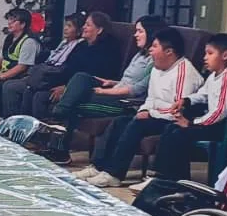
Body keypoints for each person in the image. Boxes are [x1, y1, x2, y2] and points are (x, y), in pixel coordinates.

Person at [76, 27, 201, 188]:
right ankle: (99, 167)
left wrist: (151, 113)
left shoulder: (185, 72)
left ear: (169, 51)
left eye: (155, 46)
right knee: (120, 122)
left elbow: (178, 109)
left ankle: (115, 174)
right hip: (156, 116)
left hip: (173, 121)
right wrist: (144, 109)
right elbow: (151, 98)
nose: (150, 50)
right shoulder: (157, 68)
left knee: (136, 125)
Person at [41, 14, 169, 162]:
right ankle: (59, 132)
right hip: (116, 90)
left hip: (125, 101)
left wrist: (106, 91)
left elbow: (137, 89)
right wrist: (112, 83)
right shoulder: (140, 55)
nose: (135, 35)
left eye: (140, 31)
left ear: (151, 33)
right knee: (81, 77)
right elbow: (127, 81)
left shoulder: (155, 61)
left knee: (73, 103)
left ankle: (59, 144)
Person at [149, 33, 227, 183]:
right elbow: (202, 94)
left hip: (225, 127)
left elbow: (219, 113)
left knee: (180, 134)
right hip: (212, 122)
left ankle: (177, 181)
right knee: (171, 128)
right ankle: (161, 176)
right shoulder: (214, 75)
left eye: (210, 53)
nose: (205, 58)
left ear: (225, 55)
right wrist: (185, 100)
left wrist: (192, 123)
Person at [24, 10, 123, 120]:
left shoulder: (109, 47)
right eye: (84, 24)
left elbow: (96, 74)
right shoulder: (81, 45)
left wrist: (67, 88)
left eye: (88, 25)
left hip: (91, 86)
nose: (84, 27)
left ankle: (51, 128)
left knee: (41, 97)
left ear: (99, 30)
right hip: (68, 82)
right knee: (33, 91)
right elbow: (68, 68)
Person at [0, 13, 82, 119]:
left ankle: (18, 123)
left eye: (69, 26)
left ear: (79, 31)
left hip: (51, 79)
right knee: (8, 86)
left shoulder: (78, 47)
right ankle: (12, 122)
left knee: (12, 86)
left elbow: (66, 69)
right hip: (42, 76)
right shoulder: (64, 43)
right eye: (65, 25)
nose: (65, 29)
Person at [0, 9, 39, 119]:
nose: (9, 23)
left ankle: (4, 117)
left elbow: (22, 66)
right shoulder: (9, 38)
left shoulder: (29, 42)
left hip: (21, 77)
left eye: (13, 20)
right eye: (9, 19)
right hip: (5, 74)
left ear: (22, 24)